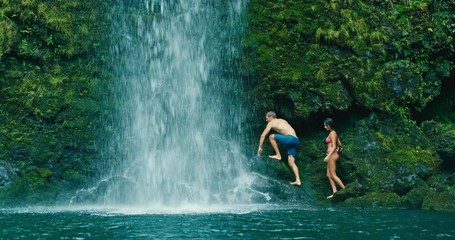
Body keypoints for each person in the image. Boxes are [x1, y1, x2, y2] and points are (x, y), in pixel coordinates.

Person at [257, 111, 301, 186]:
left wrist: (260, 147)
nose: (266, 120)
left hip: (289, 139)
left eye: (267, 118)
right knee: (291, 163)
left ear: (271, 117)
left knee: (271, 136)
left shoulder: (271, 123)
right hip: (296, 140)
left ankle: (278, 155)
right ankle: (298, 180)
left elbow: (263, 135)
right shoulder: (282, 120)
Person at [323, 118, 345, 198]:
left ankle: (345, 190)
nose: (325, 127)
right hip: (332, 155)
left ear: (329, 125)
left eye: (325, 125)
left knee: (333, 175)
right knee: (328, 175)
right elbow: (340, 144)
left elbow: (334, 146)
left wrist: (328, 156)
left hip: (331, 156)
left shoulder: (332, 133)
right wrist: (337, 151)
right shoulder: (333, 133)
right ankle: (335, 192)